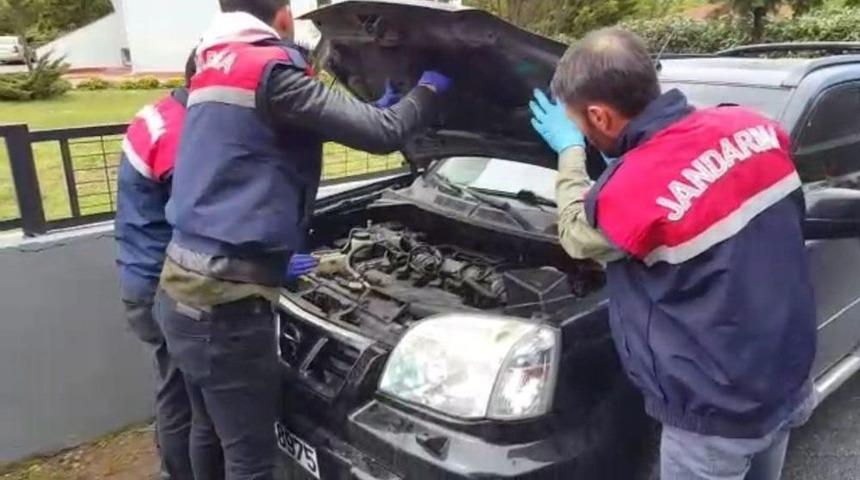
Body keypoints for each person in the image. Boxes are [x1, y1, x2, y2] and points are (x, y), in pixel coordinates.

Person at [155, 1, 452, 479]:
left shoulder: (216, 64)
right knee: (250, 460)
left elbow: (259, 136)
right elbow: (385, 134)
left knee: (207, 431)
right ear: (284, 14)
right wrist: (429, 90)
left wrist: (363, 110)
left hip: (178, 290)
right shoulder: (271, 69)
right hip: (226, 307)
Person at [529, 28, 816, 480]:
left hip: (714, 416)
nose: (579, 131)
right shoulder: (755, 127)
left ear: (600, 118)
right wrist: (625, 161)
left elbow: (576, 235)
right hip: (787, 379)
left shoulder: (629, 194)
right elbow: (697, 177)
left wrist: (569, 152)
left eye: (578, 123)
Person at [114, 53, 217, 479]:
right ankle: (179, 473)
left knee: (173, 387)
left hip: (139, 274)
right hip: (162, 285)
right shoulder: (181, 132)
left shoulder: (161, 112)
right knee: (183, 398)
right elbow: (198, 218)